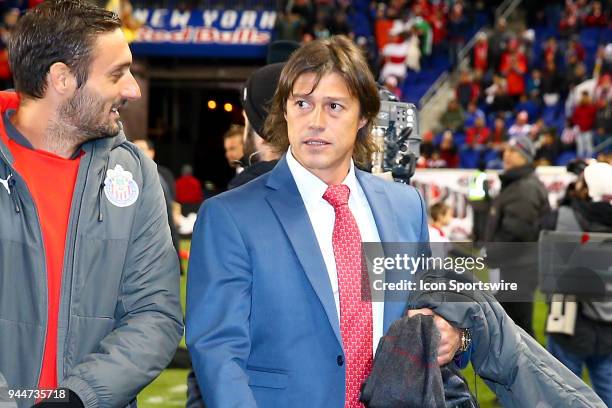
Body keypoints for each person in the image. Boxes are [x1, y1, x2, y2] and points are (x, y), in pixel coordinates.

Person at [186, 35, 464, 408]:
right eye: (302, 103)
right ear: (285, 111)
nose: (315, 121)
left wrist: (452, 334)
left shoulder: (404, 207)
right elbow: (218, 352)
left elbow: (424, 316)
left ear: (363, 115)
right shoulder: (229, 216)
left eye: (334, 106)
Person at [0, 1, 183, 407]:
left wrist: (77, 397)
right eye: (117, 73)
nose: (133, 89)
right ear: (61, 78)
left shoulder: (135, 174)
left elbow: (156, 314)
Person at [545, 161, 612, 407]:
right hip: (607, 326)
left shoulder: (564, 216)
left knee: (561, 390)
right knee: (607, 389)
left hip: (570, 322)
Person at [484, 135, 550, 336]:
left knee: (518, 331)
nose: (507, 154)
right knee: (512, 329)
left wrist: (493, 254)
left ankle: (531, 367)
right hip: (515, 266)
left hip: (519, 268)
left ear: (525, 156)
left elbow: (517, 232)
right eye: (506, 150)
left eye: (513, 151)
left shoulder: (524, 187)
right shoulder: (516, 184)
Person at [133, 137, 179, 252]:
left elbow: (172, 203)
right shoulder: (127, 177)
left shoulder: (164, 174)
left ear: (151, 152)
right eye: (133, 149)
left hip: (164, 230)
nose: (137, 152)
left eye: (142, 148)